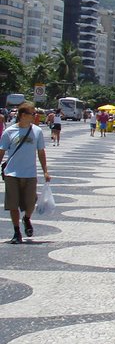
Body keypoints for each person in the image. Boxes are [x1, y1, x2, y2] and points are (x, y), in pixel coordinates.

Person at [0, 102, 51, 244]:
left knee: (30, 202)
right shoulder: (9, 132)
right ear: (23, 115)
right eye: (32, 113)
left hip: (30, 173)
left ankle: (27, 218)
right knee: (13, 204)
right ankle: (16, 232)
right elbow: (1, 152)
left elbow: (41, 152)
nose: (35, 116)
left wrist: (45, 171)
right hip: (12, 173)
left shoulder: (37, 131)